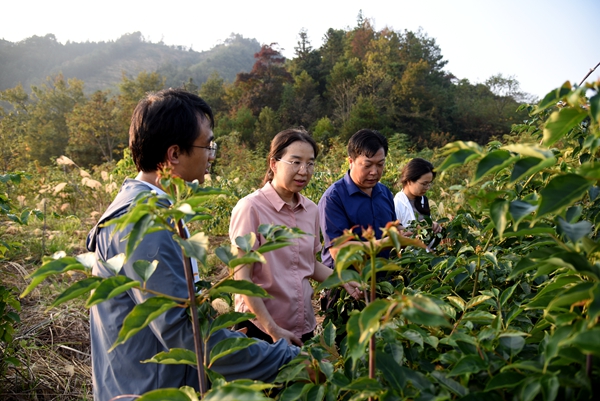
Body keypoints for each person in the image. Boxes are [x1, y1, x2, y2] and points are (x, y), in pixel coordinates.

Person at [86, 89, 300, 401]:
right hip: (150, 390)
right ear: (174, 154)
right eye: (207, 145)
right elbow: (186, 335)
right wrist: (287, 360)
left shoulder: (153, 209)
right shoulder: (145, 224)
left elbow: (180, 317)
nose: (211, 155)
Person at [229, 129, 361, 347]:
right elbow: (242, 278)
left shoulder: (310, 209)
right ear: (274, 163)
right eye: (295, 162)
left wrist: (344, 279)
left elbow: (309, 265)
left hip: (301, 326)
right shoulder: (251, 208)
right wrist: (272, 329)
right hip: (260, 328)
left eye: (310, 163)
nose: (304, 171)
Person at [317, 129, 397, 317]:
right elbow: (339, 250)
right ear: (351, 161)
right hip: (347, 286)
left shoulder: (384, 192)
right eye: (367, 165)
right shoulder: (334, 198)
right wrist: (384, 243)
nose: (374, 172)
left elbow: (390, 226)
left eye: (380, 164)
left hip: (383, 282)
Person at [394, 158, 442, 234]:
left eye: (429, 184)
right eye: (424, 184)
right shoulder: (396, 203)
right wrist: (417, 229)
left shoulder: (424, 200)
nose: (427, 188)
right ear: (409, 181)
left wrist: (433, 225)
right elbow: (396, 232)